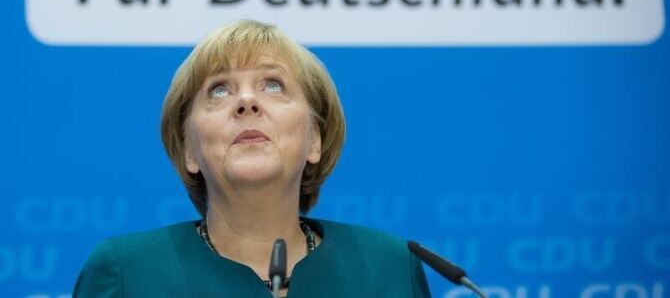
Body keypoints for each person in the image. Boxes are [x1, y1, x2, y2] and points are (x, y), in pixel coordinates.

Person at [73, 20, 431, 297]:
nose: (246, 101)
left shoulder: (389, 267)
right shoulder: (128, 274)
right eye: (219, 89)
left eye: (273, 85)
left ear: (314, 142)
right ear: (189, 151)